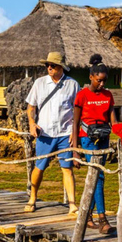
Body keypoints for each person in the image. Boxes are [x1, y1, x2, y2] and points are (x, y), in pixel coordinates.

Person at [24, 52, 80, 214]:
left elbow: (77, 109)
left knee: (67, 169)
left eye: (53, 65)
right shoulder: (39, 83)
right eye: (47, 65)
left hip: (65, 133)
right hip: (45, 133)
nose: (49, 67)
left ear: (61, 67)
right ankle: (32, 198)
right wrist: (32, 123)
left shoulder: (72, 84)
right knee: (39, 167)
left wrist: (74, 132)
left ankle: (72, 204)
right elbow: (31, 107)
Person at [72, 54, 117, 234]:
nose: (102, 84)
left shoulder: (108, 95)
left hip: (104, 139)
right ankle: (103, 219)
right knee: (98, 177)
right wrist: (75, 152)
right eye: (99, 81)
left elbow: (114, 121)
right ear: (91, 77)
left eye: (105, 81)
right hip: (87, 139)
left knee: (96, 177)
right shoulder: (82, 95)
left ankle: (87, 216)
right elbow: (74, 124)